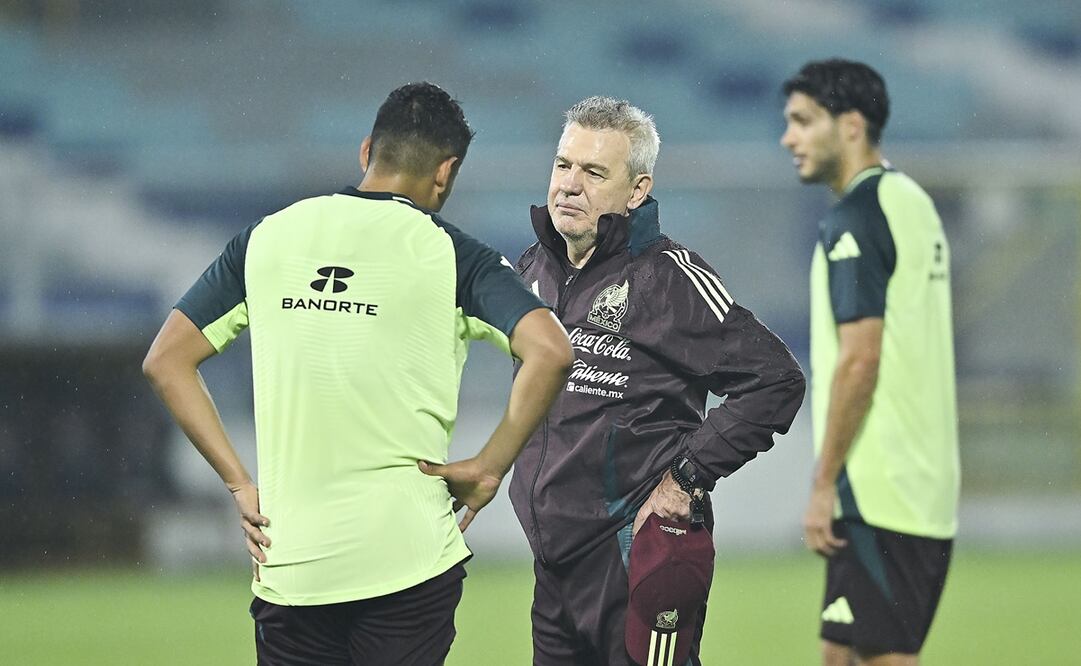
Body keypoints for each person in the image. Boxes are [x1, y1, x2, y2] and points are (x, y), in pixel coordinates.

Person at [142, 81, 573, 666]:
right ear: (446, 172)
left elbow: (166, 361)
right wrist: (489, 467)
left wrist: (239, 483)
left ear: (367, 150)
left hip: (294, 565)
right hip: (408, 561)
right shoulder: (454, 256)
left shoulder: (267, 238)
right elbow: (550, 350)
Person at [509, 95, 806, 666]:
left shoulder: (670, 279)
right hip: (554, 570)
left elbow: (776, 380)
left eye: (594, 172)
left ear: (637, 190)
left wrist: (685, 477)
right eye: (563, 164)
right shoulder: (533, 269)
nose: (569, 185)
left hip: (635, 558)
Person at [780, 59, 960, 666]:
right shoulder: (911, 201)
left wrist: (823, 482)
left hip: (879, 487)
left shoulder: (854, 219)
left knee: (880, 656)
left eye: (804, 121)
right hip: (921, 479)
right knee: (840, 652)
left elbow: (861, 359)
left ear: (851, 125)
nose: (789, 139)